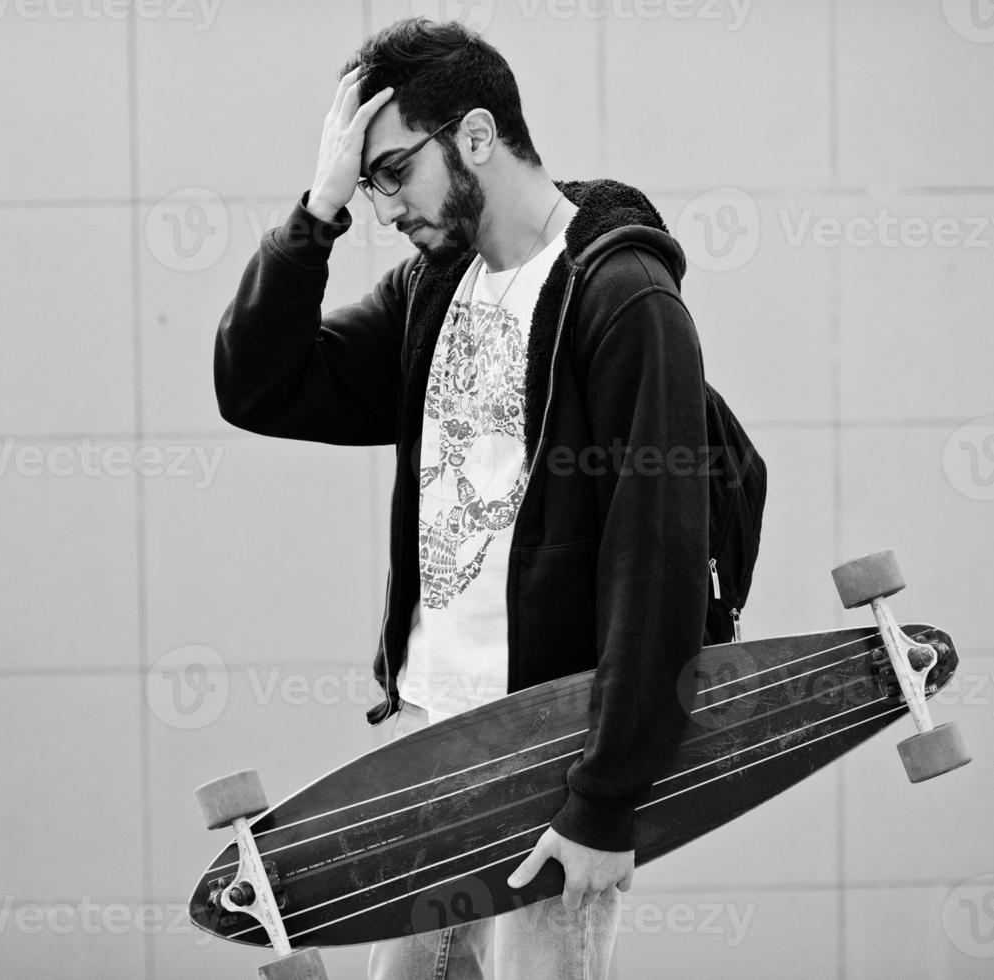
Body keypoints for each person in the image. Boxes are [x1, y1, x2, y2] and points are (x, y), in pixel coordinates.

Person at [214, 17, 719, 980]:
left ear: (476, 137)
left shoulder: (620, 296)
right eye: (366, 183)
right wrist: (314, 212)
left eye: (392, 170)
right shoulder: (431, 293)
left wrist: (605, 801)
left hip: (553, 748)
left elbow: (654, 554)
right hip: (423, 738)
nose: (381, 204)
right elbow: (257, 385)